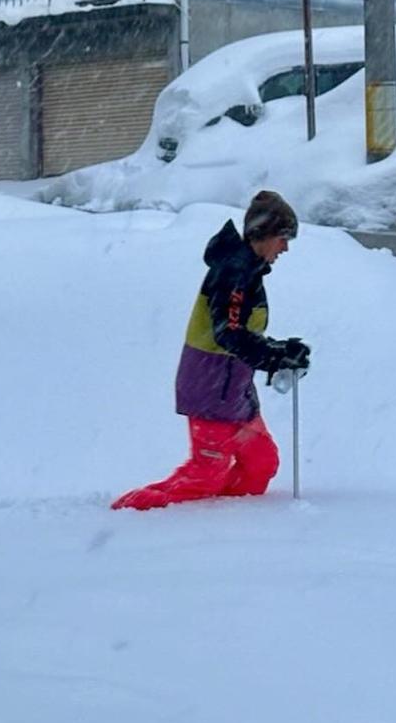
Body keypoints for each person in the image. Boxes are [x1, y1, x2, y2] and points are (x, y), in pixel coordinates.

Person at [111, 189, 311, 511]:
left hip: (234, 391)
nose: (285, 248)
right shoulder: (233, 273)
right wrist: (271, 357)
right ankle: (134, 515)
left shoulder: (249, 272)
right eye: (283, 238)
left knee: (260, 463)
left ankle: (225, 520)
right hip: (211, 389)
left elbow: (241, 331)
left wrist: (279, 349)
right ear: (262, 234)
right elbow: (227, 332)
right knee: (205, 475)